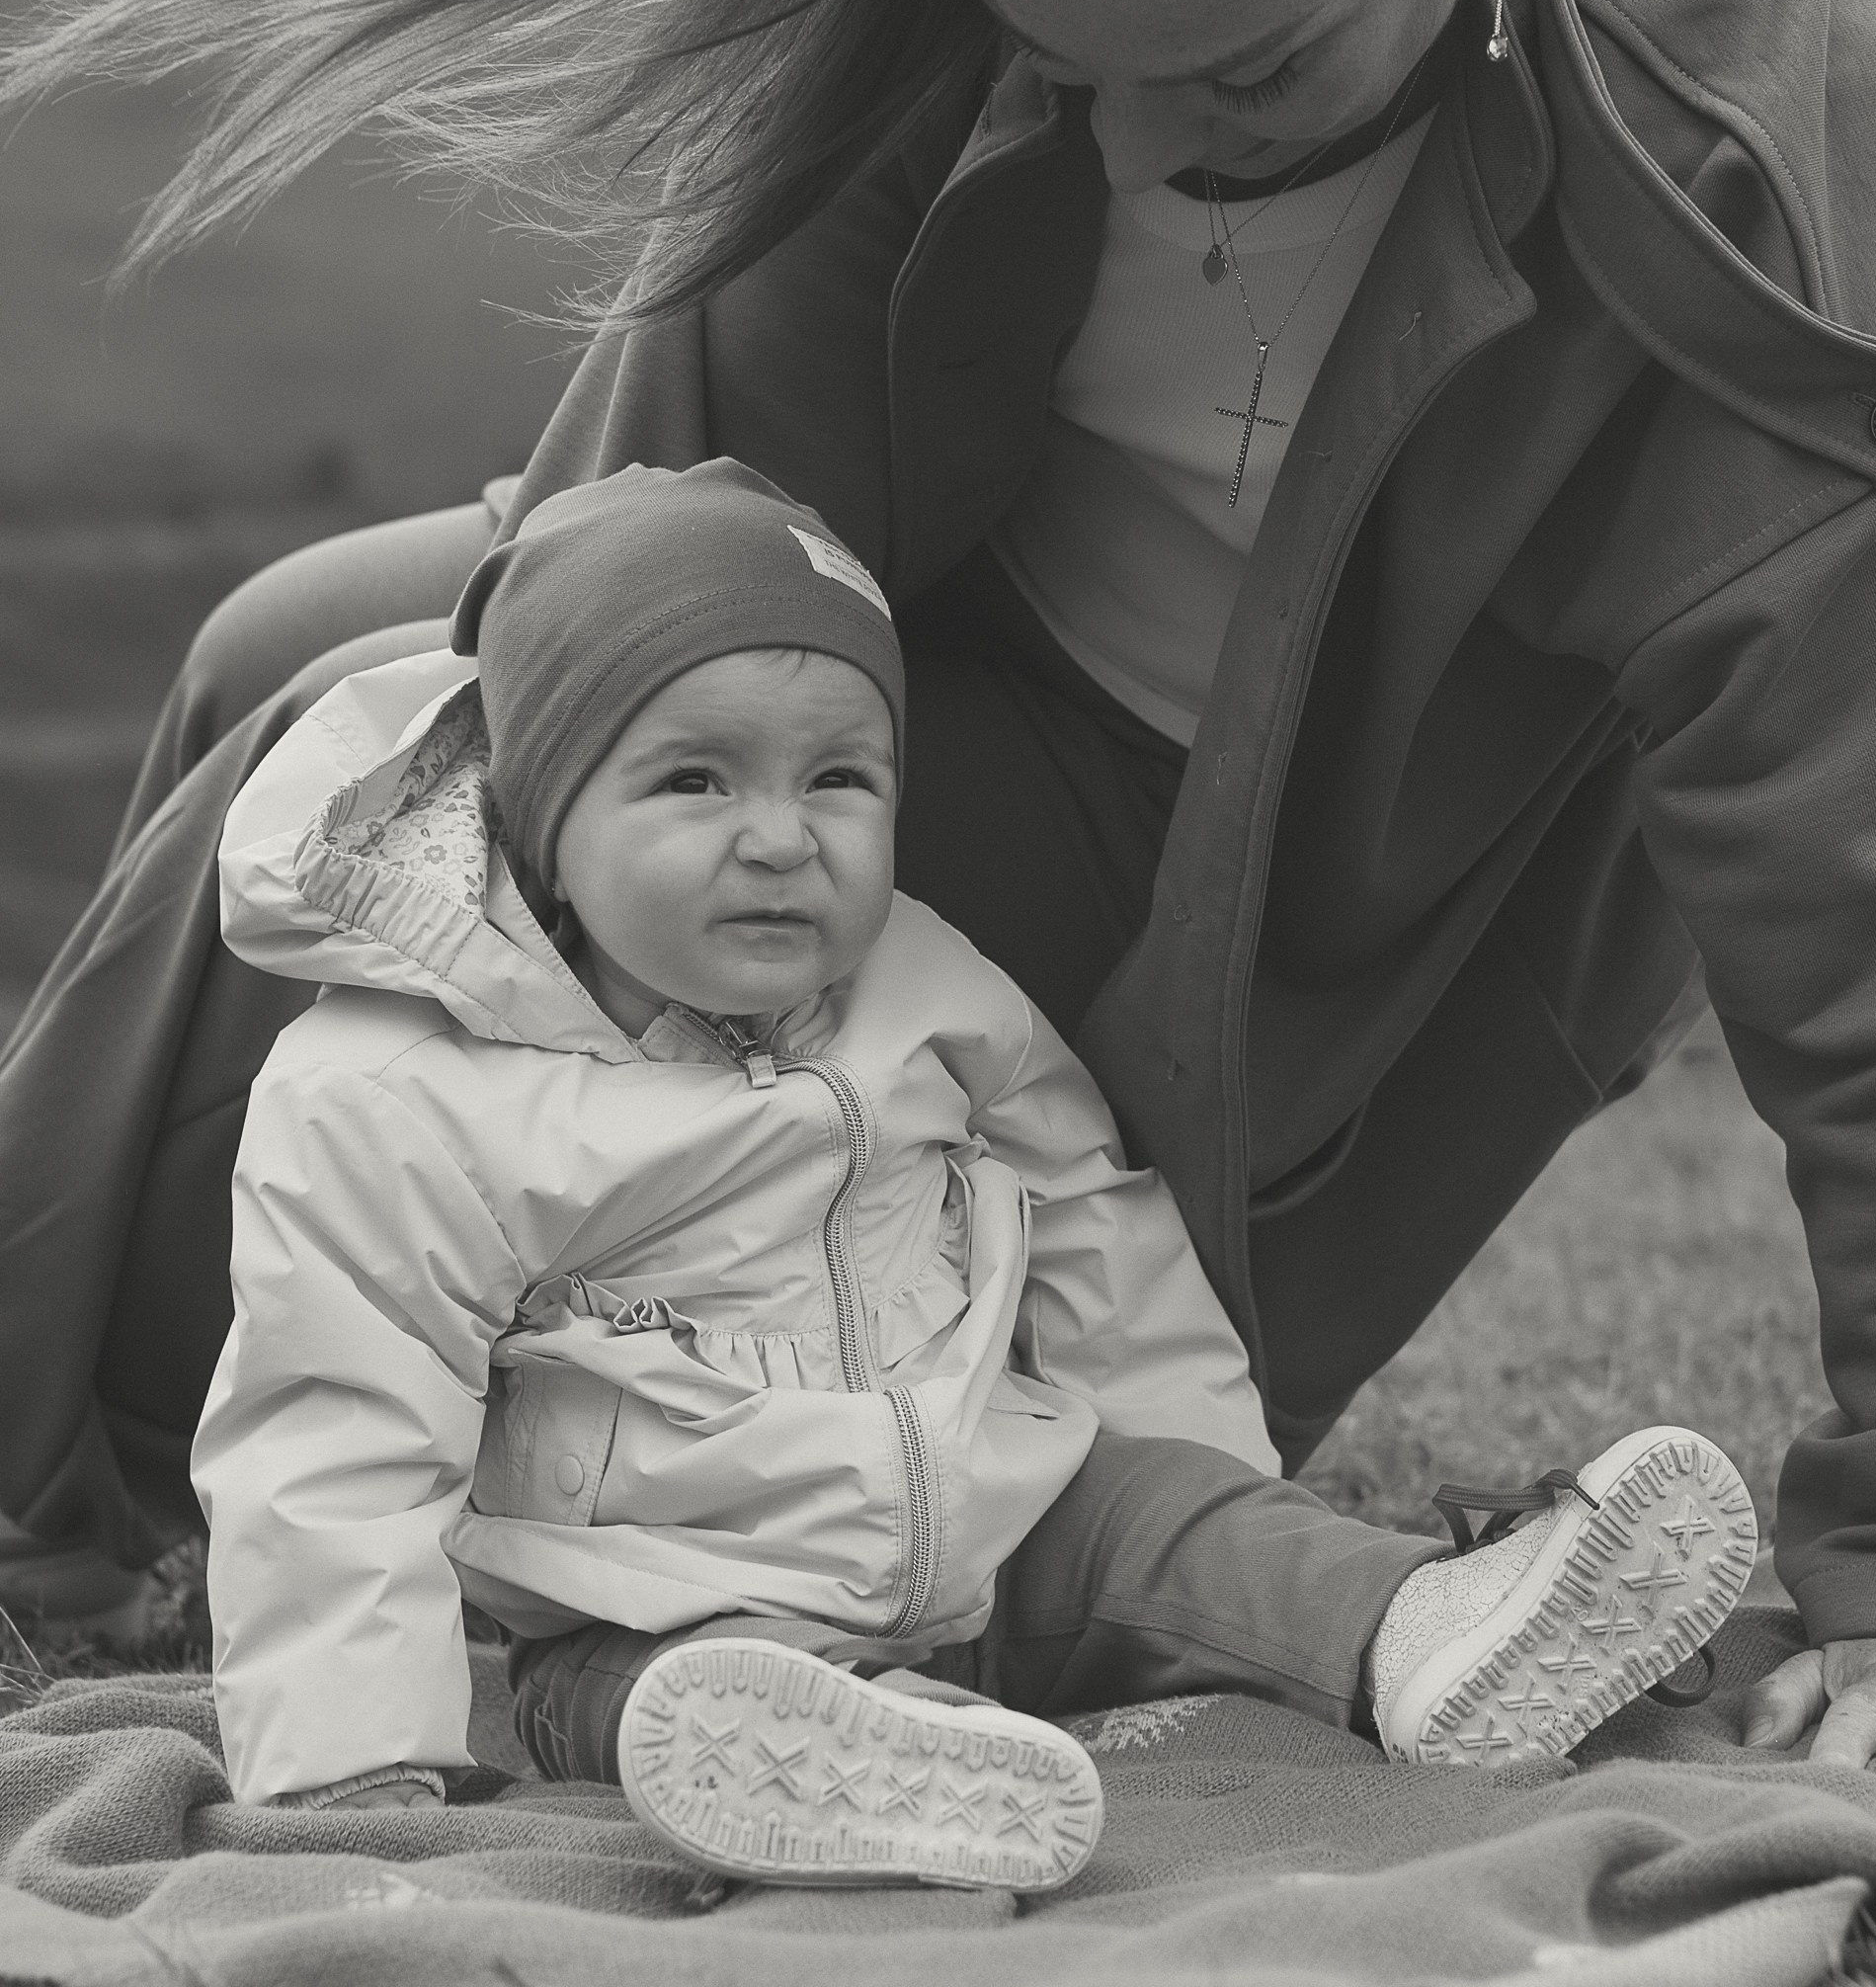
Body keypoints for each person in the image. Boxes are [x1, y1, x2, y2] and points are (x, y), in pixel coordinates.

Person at [4, 0, 1876, 1783]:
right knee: (333, 662)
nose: (1151, 150)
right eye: (1071, 63)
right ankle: (166, 1465)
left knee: (983, 1440)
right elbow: (658, 531)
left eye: (1249, 73)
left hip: (1358, 923)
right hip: (915, 735)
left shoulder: (1770, 126)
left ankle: (628, 1562)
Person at [195, 456, 1753, 1877]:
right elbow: (332, 1427)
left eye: (838, 781)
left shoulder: (922, 986)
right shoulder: (396, 1092)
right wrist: (347, 1763)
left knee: (1181, 1534)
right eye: (695, 782)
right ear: (542, 816)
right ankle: (839, 1766)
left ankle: (1426, 1637)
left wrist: (1205, 1465)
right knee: (656, 1683)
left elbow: (1089, 1216)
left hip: (991, 1514)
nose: (782, 837)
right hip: (658, 1583)